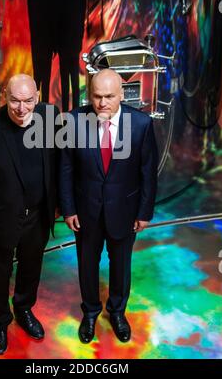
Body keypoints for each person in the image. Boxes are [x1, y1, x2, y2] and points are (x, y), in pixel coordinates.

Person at [59, 69, 158, 343]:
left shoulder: (140, 124)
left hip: (125, 213)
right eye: (97, 96)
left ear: (122, 95)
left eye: (109, 96)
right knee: (87, 264)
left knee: (121, 266)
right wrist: (68, 209)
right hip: (85, 211)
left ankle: (117, 312)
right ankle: (90, 312)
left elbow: (148, 173)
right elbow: (65, 168)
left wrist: (144, 212)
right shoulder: (74, 121)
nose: (102, 103)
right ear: (89, 95)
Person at [0, 74, 60, 355]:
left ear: (38, 97)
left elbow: (58, 161)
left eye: (28, 101)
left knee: (31, 268)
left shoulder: (50, 116)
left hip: (38, 216)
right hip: (1, 218)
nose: (22, 109)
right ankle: (0, 322)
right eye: (15, 101)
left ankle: (23, 309)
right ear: (4, 95)